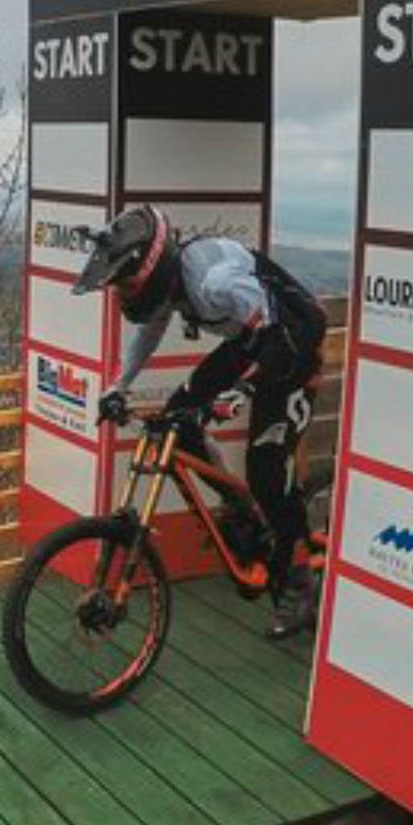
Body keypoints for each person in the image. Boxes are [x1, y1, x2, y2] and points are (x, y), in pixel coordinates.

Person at [72, 205, 328, 638]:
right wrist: (118, 386)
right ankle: (242, 511)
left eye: (127, 284)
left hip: (291, 346)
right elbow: (149, 332)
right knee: (175, 422)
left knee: (266, 470)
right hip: (251, 342)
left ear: (152, 269)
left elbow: (276, 337)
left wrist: (241, 391)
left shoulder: (215, 283)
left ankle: (300, 584)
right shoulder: (173, 281)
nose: (124, 295)